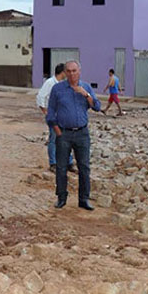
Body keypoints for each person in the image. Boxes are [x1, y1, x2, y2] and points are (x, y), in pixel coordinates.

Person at [46, 60, 101, 210]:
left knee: (84, 167)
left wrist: (86, 95)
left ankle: (84, 199)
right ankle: (61, 197)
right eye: (69, 71)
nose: (72, 74)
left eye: (74, 71)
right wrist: (58, 132)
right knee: (61, 167)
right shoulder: (57, 89)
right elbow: (50, 113)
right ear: (65, 73)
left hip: (82, 133)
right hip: (64, 133)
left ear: (79, 71)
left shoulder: (86, 87)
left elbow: (97, 106)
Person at [36, 63, 73, 172]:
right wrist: (46, 112)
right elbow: (40, 97)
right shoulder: (49, 83)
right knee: (53, 139)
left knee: (65, 139)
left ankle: (68, 162)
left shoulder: (63, 84)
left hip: (63, 116)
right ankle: (53, 163)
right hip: (54, 117)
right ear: (62, 72)